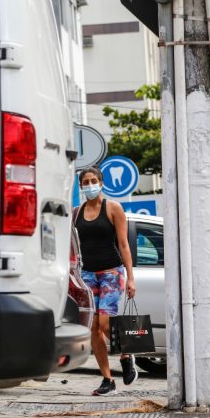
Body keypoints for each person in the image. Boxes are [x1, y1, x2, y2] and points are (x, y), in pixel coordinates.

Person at [73, 167, 137, 396]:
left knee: (104, 324)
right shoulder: (76, 212)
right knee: (92, 327)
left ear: (101, 182)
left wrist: (130, 277)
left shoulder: (113, 208)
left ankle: (127, 355)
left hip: (111, 272)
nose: (90, 185)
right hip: (87, 275)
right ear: (81, 186)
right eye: (85, 182)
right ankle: (107, 379)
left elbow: (124, 244)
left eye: (93, 180)